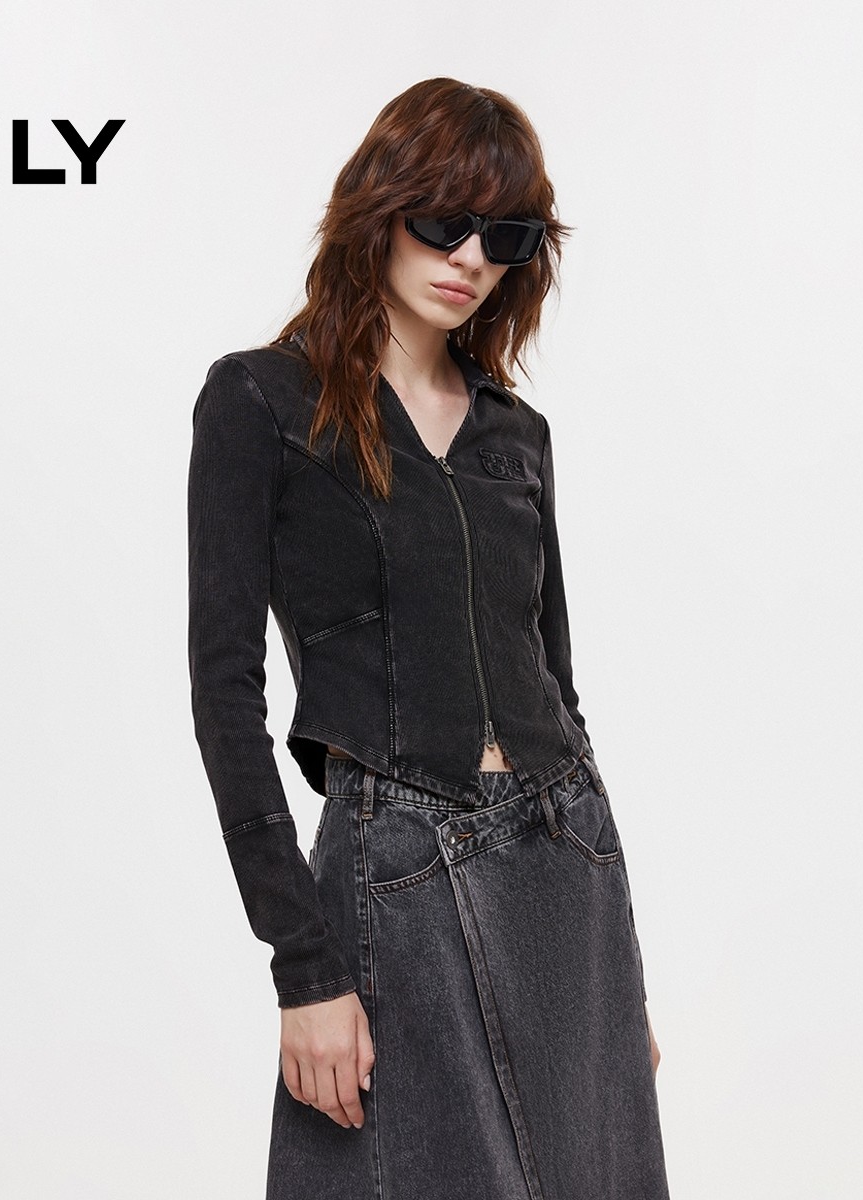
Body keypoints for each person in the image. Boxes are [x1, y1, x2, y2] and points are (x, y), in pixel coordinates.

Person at [187, 77, 671, 1200]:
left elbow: (557, 689)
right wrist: (303, 966)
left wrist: (623, 979)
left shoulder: (517, 435)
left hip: (566, 860)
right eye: (443, 220)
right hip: (394, 868)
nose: (469, 258)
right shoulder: (263, 403)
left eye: (505, 237)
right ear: (378, 207)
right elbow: (225, 697)